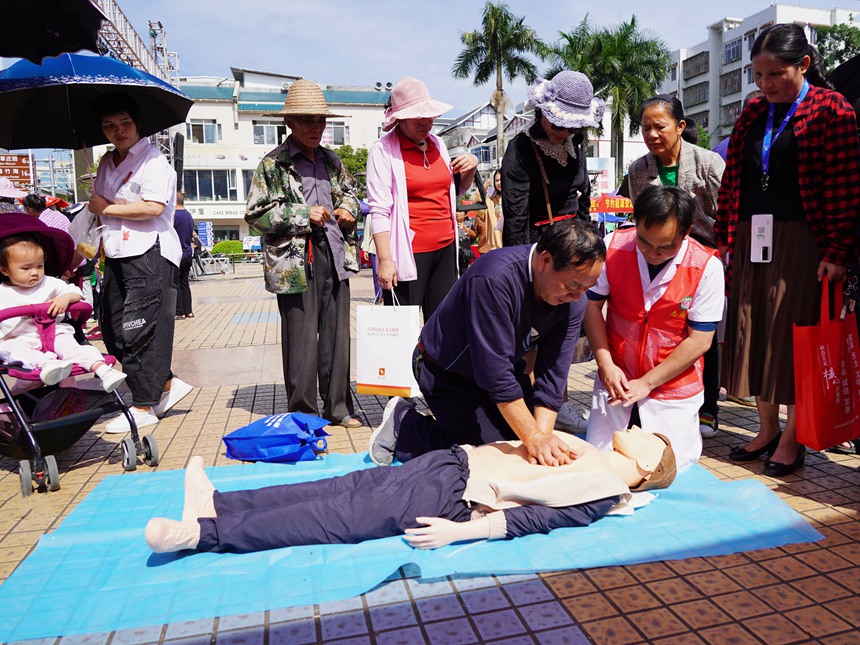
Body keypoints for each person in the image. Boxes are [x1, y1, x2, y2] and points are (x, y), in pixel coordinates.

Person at [144, 427, 676, 554]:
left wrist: (464, 532)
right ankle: (220, 502)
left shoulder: (607, 485)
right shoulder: (589, 446)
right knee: (339, 486)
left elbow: (543, 518)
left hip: (454, 497)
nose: (635, 426)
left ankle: (203, 534)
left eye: (647, 434)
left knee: (335, 517)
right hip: (449, 463)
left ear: (648, 463)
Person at [715, 24, 860, 477]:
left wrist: (837, 252)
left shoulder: (832, 109)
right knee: (752, 329)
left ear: (804, 65)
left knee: (795, 335)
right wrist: (725, 239)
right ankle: (765, 429)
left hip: (804, 241)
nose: (765, 84)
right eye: (758, 75)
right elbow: (733, 179)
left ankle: (794, 435)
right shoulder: (754, 111)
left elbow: (845, 188)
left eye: (775, 73)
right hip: (752, 237)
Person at [369, 219, 605, 468]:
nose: (578, 296)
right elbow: (495, 375)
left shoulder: (574, 301)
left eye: (587, 288)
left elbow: (553, 374)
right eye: (573, 285)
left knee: (523, 451)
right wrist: (534, 437)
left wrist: (541, 438)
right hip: (445, 371)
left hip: (501, 371)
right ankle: (405, 424)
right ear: (545, 261)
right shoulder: (493, 278)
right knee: (490, 456)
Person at [245, 80, 362, 428]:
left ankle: (338, 408)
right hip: (294, 262)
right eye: (307, 120)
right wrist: (301, 214)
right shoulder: (273, 164)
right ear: (290, 123)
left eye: (321, 120)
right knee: (300, 338)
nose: (316, 127)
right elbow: (254, 215)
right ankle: (304, 413)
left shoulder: (332, 159)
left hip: (335, 253)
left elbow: (352, 194)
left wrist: (348, 209)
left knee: (337, 336)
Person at [584, 186, 724, 473]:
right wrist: (605, 363)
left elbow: (699, 342)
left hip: (671, 385)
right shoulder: (613, 246)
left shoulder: (706, 267)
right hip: (617, 378)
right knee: (602, 462)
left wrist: (647, 383)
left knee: (670, 467)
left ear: (686, 233)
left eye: (666, 247)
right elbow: (591, 307)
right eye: (645, 242)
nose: (653, 253)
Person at [620, 95, 726, 440]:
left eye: (659, 126)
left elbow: (729, 212)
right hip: (660, 259)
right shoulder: (639, 170)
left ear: (680, 126)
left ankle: (708, 407)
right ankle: (650, 397)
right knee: (662, 329)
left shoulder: (708, 163)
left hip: (705, 258)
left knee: (703, 333)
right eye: (645, 127)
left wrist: (723, 256)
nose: (652, 134)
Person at [88, 92, 193, 433]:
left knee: (141, 330)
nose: (118, 131)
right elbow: (99, 204)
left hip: (150, 252)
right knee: (113, 329)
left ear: (137, 125)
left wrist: (107, 208)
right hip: (115, 253)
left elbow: (152, 207)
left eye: (125, 124)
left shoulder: (154, 161)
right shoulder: (105, 163)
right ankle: (164, 383)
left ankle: (144, 405)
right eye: (109, 126)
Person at [366, 77, 478, 320]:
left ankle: (433, 361)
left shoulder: (437, 144)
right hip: (408, 253)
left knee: (442, 326)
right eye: (417, 116)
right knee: (400, 326)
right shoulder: (383, 150)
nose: (426, 122)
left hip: (446, 248)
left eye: (428, 115)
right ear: (400, 118)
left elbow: (453, 192)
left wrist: (469, 169)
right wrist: (385, 261)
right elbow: (379, 210)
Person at [0, 219, 125, 392]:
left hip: (52, 334)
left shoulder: (49, 283)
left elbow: (77, 293)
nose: (35, 272)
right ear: (5, 270)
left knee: (69, 344)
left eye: (39, 266)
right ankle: (49, 365)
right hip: (19, 339)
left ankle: (102, 369)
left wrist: (65, 299)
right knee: (11, 349)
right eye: (26, 268)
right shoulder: (2, 292)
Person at [501, 71, 604, 246]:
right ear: (543, 113)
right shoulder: (521, 148)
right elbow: (516, 216)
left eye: (572, 128)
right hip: (540, 244)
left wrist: (586, 241)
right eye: (558, 125)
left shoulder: (574, 145)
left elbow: (584, 200)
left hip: (574, 242)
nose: (564, 133)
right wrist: (521, 259)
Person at [172, 192, 195, 319]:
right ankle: (188, 311)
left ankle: (179, 311)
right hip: (187, 253)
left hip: (176, 254)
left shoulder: (173, 216)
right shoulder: (188, 215)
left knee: (175, 283)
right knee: (185, 283)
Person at [472, 170, 503, 255]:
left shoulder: (513, 197)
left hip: (511, 243)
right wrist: (483, 188)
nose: (499, 183)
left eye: (501, 179)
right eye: (496, 180)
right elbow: (476, 204)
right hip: (495, 247)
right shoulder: (491, 199)